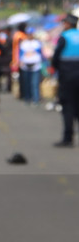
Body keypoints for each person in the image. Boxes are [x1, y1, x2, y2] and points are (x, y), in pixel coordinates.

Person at [51, 13, 79, 147]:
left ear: (68, 24)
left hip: (67, 76)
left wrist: (58, 69)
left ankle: (68, 138)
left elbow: (56, 58)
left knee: (68, 106)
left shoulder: (64, 37)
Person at [19, 28, 44, 106]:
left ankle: (36, 98)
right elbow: (20, 54)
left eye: (31, 34)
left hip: (36, 66)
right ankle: (27, 98)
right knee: (27, 83)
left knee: (35, 83)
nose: (30, 35)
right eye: (28, 34)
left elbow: (41, 53)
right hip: (25, 66)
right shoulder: (23, 43)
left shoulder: (37, 43)